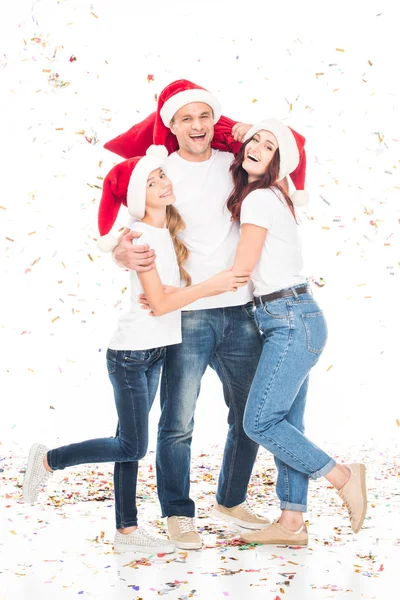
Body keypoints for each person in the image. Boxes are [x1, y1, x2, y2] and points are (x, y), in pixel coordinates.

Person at [22, 145, 250, 554]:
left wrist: (173, 293)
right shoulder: (141, 236)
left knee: (126, 439)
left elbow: (164, 295)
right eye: (150, 181)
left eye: (162, 176)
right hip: (131, 355)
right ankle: (48, 459)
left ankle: (126, 531)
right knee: (132, 445)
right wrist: (209, 286)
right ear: (134, 194)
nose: (163, 183)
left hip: (155, 350)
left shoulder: (164, 233)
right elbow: (161, 304)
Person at [108, 80, 288, 550]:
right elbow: (127, 221)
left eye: (204, 116)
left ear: (215, 122)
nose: (197, 125)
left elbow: (283, 174)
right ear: (172, 124)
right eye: (185, 118)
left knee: (251, 415)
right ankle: (176, 513)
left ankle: (230, 499)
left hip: (242, 308)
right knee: (178, 421)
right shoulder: (158, 169)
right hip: (187, 314)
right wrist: (120, 255)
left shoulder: (236, 166)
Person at [222, 118, 367, 546]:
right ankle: (290, 523)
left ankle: (342, 477)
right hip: (289, 317)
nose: (257, 147)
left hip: (288, 318)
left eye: (268, 146)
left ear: (276, 162)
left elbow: (241, 271)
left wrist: (177, 291)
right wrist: (249, 127)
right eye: (254, 141)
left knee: (259, 422)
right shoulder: (274, 196)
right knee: (287, 423)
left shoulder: (260, 199)